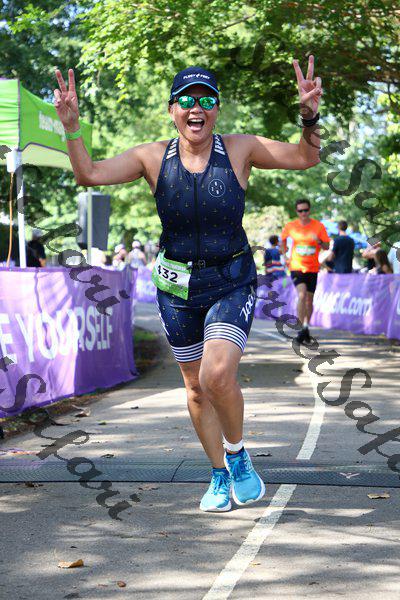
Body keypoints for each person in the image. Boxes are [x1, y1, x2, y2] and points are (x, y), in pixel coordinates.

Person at [54, 56, 322, 512]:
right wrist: (72, 127)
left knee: (217, 375)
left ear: (217, 109)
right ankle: (218, 474)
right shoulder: (151, 157)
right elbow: (88, 174)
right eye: (186, 100)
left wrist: (310, 117)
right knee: (196, 387)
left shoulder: (240, 149)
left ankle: (237, 455)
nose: (196, 108)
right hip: (177, 287)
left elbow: (305, 157)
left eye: (206, 100)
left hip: (231, 278)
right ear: (172, 109)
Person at [280, 199, 330, 345]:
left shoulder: (318, 226)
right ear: (297, 212)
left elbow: (327, 246)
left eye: (306, 210)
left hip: (313, 268)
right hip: (296, 267)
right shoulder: (291, 226)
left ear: (309, 210)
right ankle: (301, 330)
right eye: (300, 211)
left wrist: (319, 241)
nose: (303, 213)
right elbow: (282, 242)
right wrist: (284, 254)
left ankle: (306, 327)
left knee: (309, 300)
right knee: (301, 296)